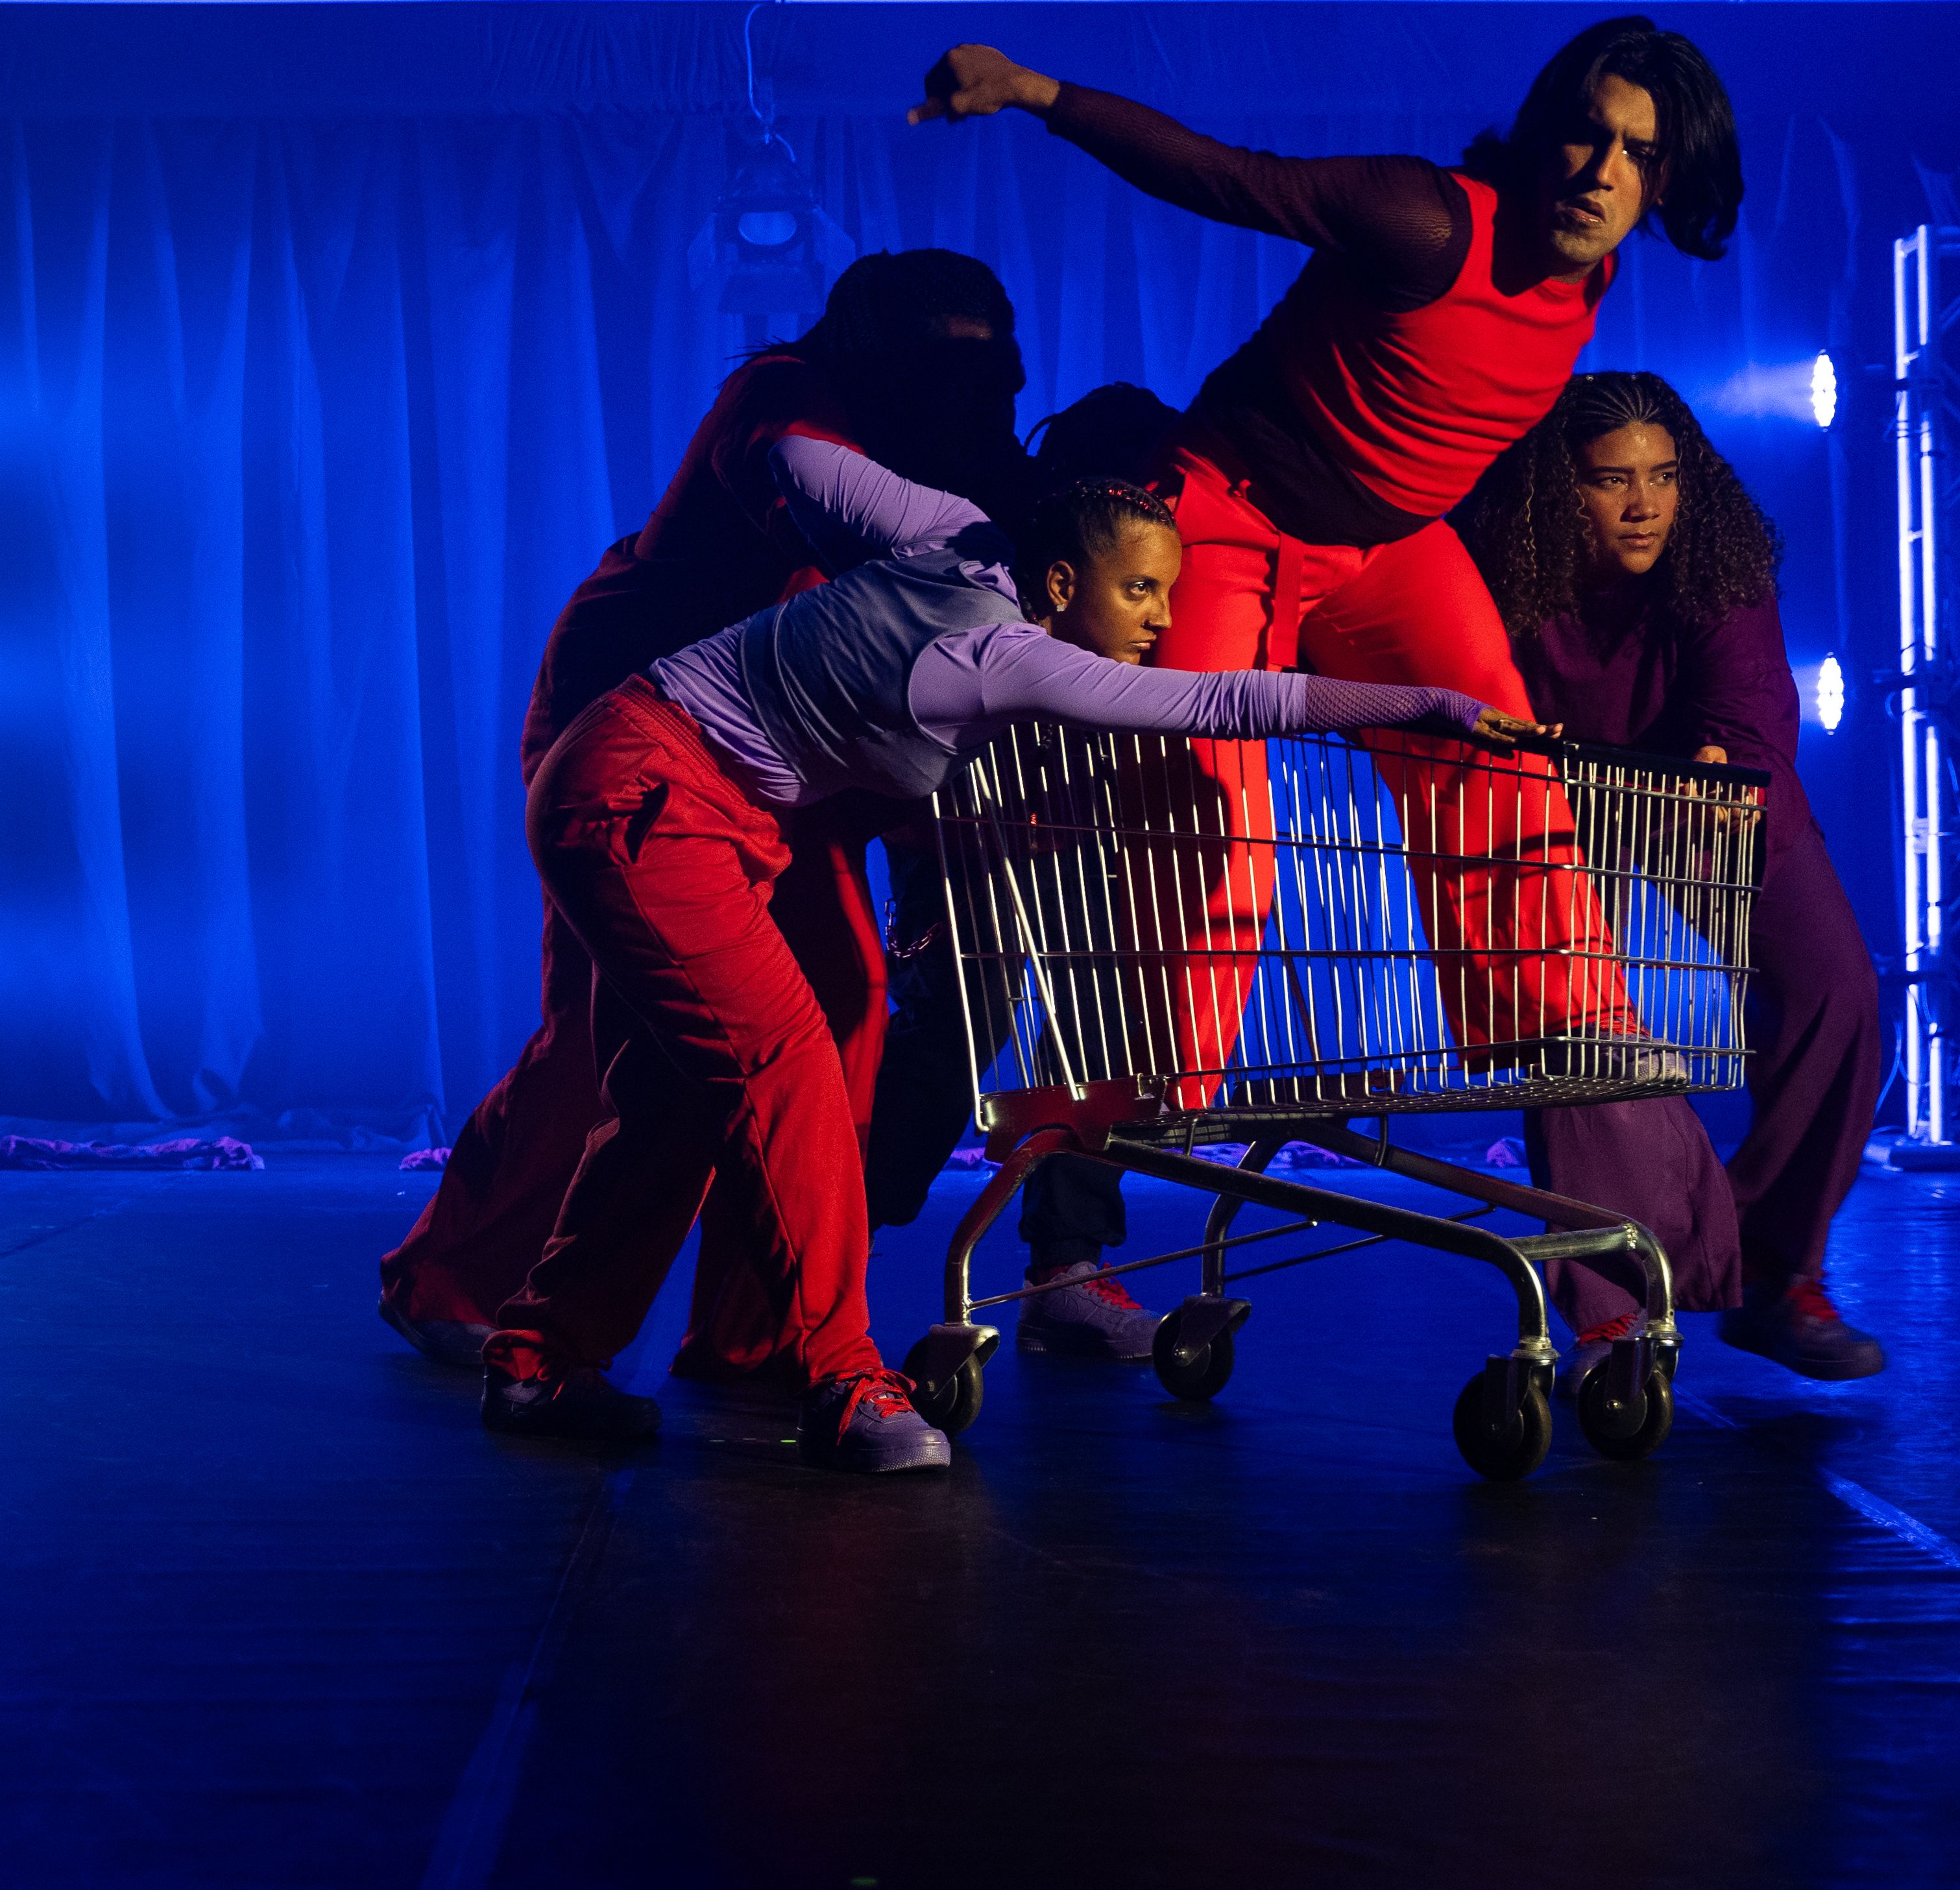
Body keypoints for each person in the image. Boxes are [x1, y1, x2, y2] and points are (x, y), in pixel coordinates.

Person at [912, 19, 1750, 1350]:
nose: (1598, 170)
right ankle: (1106, 1176)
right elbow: (1224, 174)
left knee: (1504, 758)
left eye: (1636, 155)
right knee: (1200, 832)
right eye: (1583, 133)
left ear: (1665, 181)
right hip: (1232, 517)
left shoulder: (1584, 279)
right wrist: (1035, 93)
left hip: (1382, 549)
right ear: (1540, 132)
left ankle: (1576, 1040)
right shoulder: (1426, 219)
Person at [487, 448, 1537, 1473]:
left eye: (1166, 591)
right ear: (1064, 581)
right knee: (786, 1062)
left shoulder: (949, 532)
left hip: (646, 773)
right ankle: (844, 1377)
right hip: (647, 802)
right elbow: (1228, 699)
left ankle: (541, 1361)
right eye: (1137, 590)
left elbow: (789, 458)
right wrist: (1428, 703)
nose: (1162, 620)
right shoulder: (1004, 655)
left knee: (671, 1101)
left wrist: (842, 600)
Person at [380, 252, 1035, 1379]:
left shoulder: (953, 437)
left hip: (803, 750)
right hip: (642, 722)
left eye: (988, 370)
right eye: (943, 365)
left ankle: (758, 1328)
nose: (967, 390)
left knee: (837, 1005)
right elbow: (861, 536)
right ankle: (452, 1275)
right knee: (610, 1033)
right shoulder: (782, 401)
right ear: (878, 356)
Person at [1455, 372, 1890, 1378]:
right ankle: (1611, 1314)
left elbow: (1747, 710)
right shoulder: (1495, 561)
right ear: (1556, 492)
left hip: (1696, 800)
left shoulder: (1716, 559)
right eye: (1612, 481)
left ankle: (1774, 1274)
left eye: (1662, 477)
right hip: (1551, 806)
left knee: (1836, 991)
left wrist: (1710, 770)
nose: (1644, 504)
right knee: (1575, 1026)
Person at [865, 382, 1178, 1360]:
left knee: (1098, 1035)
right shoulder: (984, 561)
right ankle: (828, 1240)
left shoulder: (1156, 579)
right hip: (968, 838)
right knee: (955, 1035)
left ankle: (1066, 1271)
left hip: (1084, 828)